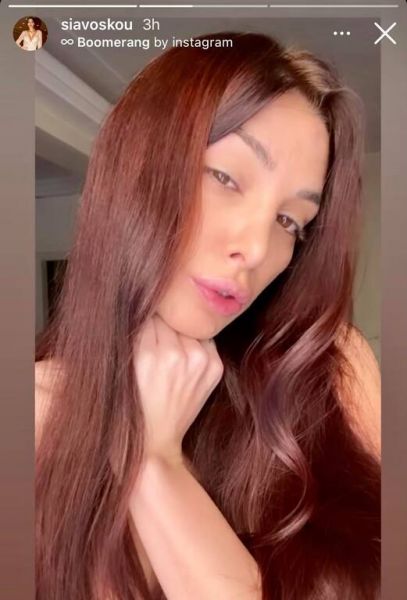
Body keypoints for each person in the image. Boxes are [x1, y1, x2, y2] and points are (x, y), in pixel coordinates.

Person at [35, 31, 381, 600]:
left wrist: (155, 463)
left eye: (290, 222)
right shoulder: (34, 413)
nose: (258, 248)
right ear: (135, 170)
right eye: (226, 178)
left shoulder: (329, 372)